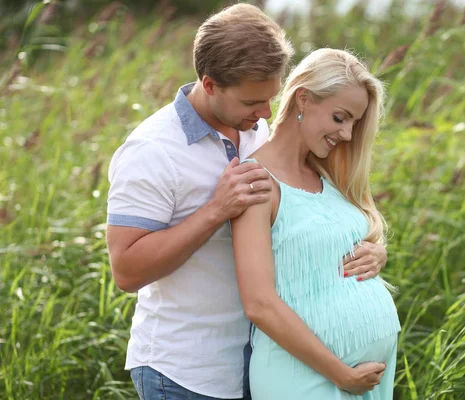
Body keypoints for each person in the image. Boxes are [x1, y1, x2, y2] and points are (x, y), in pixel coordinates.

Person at [105, 4, 389, 400]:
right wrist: (215, 211)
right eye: (252, 103)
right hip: (186, 372)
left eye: (271, 98)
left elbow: (302, 229)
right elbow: (127, 271)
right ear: (209, 84)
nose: (265, 114)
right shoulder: (152, 151)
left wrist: (371, 250)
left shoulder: (256, 131)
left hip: (259, 360)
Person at [231, 48, 402, 399]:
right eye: (340, 118)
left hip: (362, 382)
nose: (348, 134)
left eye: (355, 122)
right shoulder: (256, 181)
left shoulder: (327, 172)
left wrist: (376, 251)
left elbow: (330, 242)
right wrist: (342, 374)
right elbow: (259, 304)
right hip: (304, 378)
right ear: (304, 99)